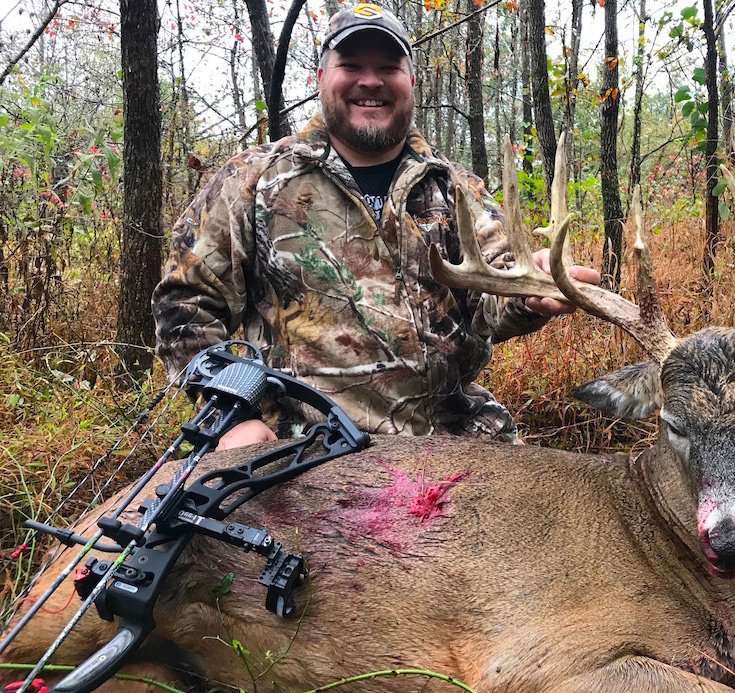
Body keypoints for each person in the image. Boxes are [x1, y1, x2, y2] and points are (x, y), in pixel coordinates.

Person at [152, 3, 598, 449]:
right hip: (303, 448)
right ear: (321, 76)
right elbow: (184, 305)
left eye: (388, 67)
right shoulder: (253, 180)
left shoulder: (457, 189)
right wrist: (233, 418)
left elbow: (492, 299)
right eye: (351, 65)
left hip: (448, 437)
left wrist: (533, 291)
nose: (370, 81)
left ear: (411, 82)